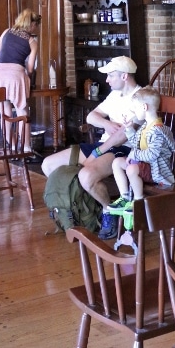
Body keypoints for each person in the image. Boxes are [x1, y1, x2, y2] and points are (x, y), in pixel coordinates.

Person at [41, 55, 141, 240]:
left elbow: (121, 137)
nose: (107, 80)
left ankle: (107, 211)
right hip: (102, 144)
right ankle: (81, 204)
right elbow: (91, 117)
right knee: (48, 165)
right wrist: (107, 124)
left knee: (86, 175)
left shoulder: (140, 98)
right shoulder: (115, 95)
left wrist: (97, 152)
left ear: (125, 76)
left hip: (124, 150)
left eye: (111, 75)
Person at [105, 86, 175, 218]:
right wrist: (130, 129)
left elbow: (152, 154)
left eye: (135, 108)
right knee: (117, 163)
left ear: (144, 107)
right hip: (143, 165)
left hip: (156, 170)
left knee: (131, 169)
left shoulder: (158, 130)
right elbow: (135, 143)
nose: (133, 111)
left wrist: (134, 154)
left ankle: (138, 202)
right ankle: (125, 197)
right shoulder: (145, 126)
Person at [0, 9, 40, 151]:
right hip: (16, 75)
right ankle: (25, 146)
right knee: (22, 111)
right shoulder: (32, 42)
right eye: (36, 25)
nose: (36, 28)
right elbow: (30, 69)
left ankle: (11, 145)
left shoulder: (7, 32)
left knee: (4, 111)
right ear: (31, 24)